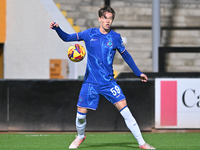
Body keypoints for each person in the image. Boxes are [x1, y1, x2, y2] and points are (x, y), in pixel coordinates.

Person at [50, 5, 155, 149]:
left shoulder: (115, 37)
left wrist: (138, 73)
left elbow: (127, 56)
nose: (108, 21)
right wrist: (57, 28)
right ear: (99, 19)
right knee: (80, 115)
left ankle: (142, 143)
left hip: (108, 82)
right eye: (105, 18)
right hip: (90, 82)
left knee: (126, 111)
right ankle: (80, 137)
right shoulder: (89, 34)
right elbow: (67, 37)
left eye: (110, 18)